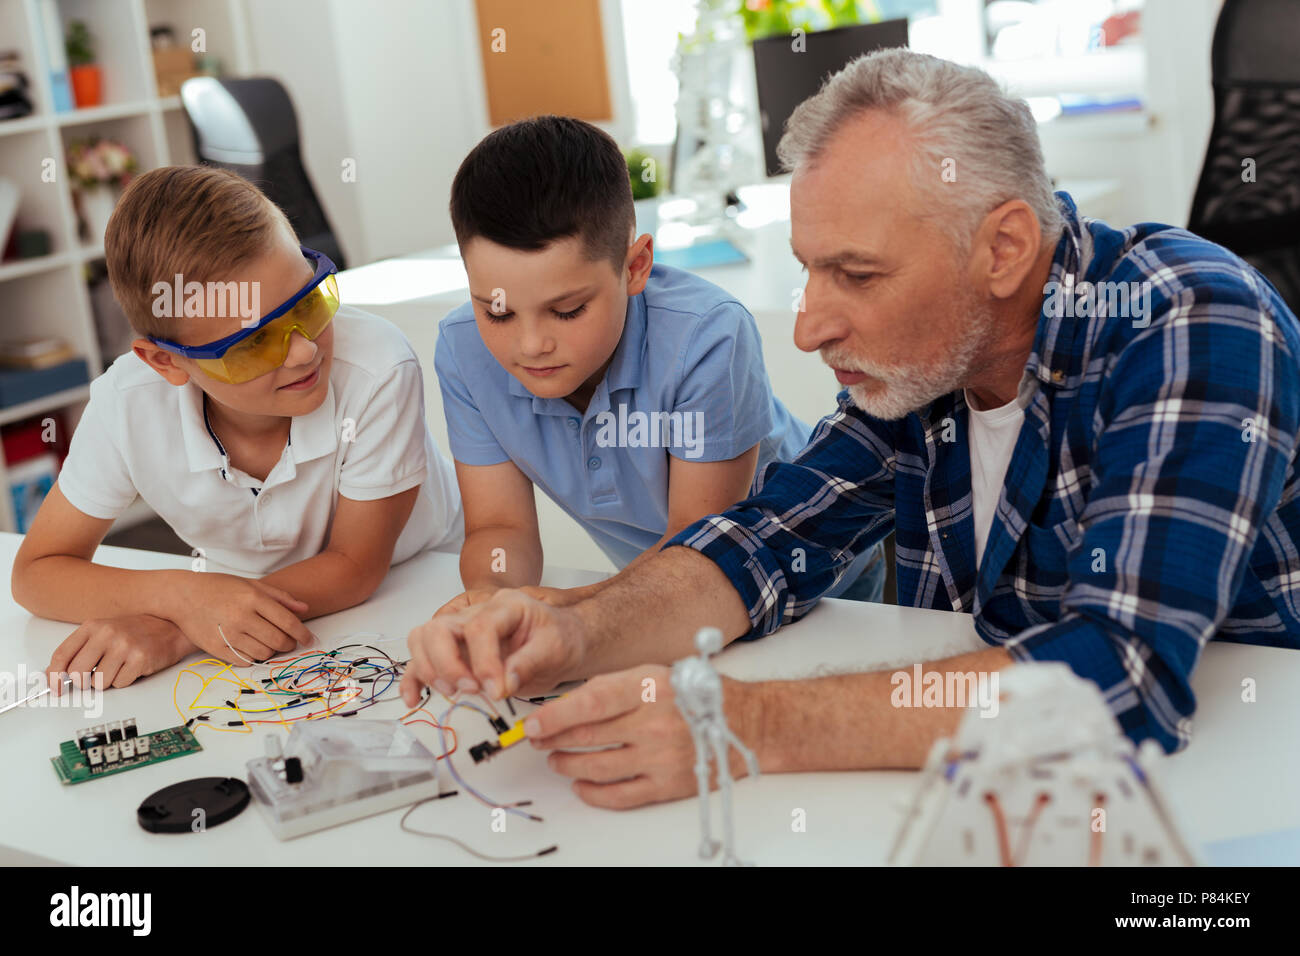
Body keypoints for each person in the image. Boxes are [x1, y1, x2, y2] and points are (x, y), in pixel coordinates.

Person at [401, 49, 1300, 809]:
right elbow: (759, 543)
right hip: (991, 787)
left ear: (1004, 249)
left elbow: (1122, 678)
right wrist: (578, 630)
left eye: (857, 275)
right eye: (809, 271)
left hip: (1228, 788)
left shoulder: (1191, 317)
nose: (807, 328)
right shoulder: (928, 368)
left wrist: (746, 723)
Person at [426, 115, 885, 649]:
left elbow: (698, 542)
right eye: (497, 311)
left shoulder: (708, 336)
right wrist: (492, 598)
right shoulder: (462, 349)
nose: (530, 345)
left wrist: (571, 614)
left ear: (636, 266)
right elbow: (499, 528)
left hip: (819, 583)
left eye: (568, 310)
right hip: (658, 597)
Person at [12, 165, 462, 691]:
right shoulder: (127, 403)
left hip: (415, 582)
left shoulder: (377, 367)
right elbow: (36, 571)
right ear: (164, 362)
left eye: (309, 301)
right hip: (240, 604)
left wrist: (180, 628)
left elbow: (355, 567)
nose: (304, 350)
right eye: (252, 344)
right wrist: (183, 598)